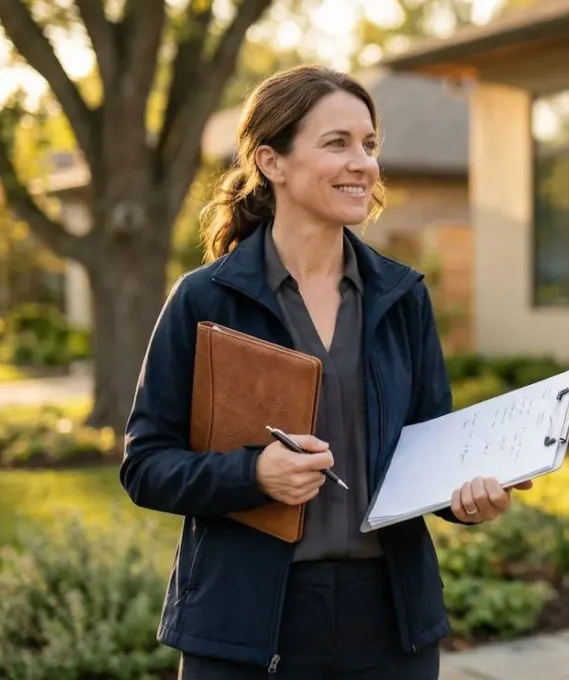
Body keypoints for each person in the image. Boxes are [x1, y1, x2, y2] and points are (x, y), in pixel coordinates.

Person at [119, 64, 528, 679]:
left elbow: (428, 449)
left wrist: (465, 497)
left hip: (390, 621)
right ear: (271, 162)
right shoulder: (205, 300)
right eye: (336, 143)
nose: (362, 162)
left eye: (369, 145)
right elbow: (145, 464)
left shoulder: (401, 295)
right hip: (245, 622)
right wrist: (253, 474)